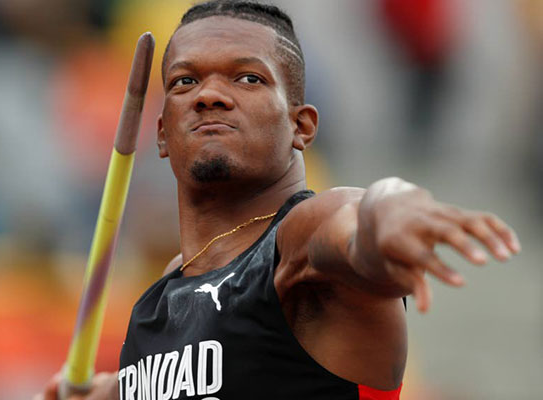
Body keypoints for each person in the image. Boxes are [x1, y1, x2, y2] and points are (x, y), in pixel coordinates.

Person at [38, 1, 520, 399]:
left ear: (302, 125)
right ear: (162, 134)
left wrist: (396, 211)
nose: (209, 95)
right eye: (185, 81)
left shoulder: (301, 246)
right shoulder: (168, 293)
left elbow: (358, 215)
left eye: (248, 78)